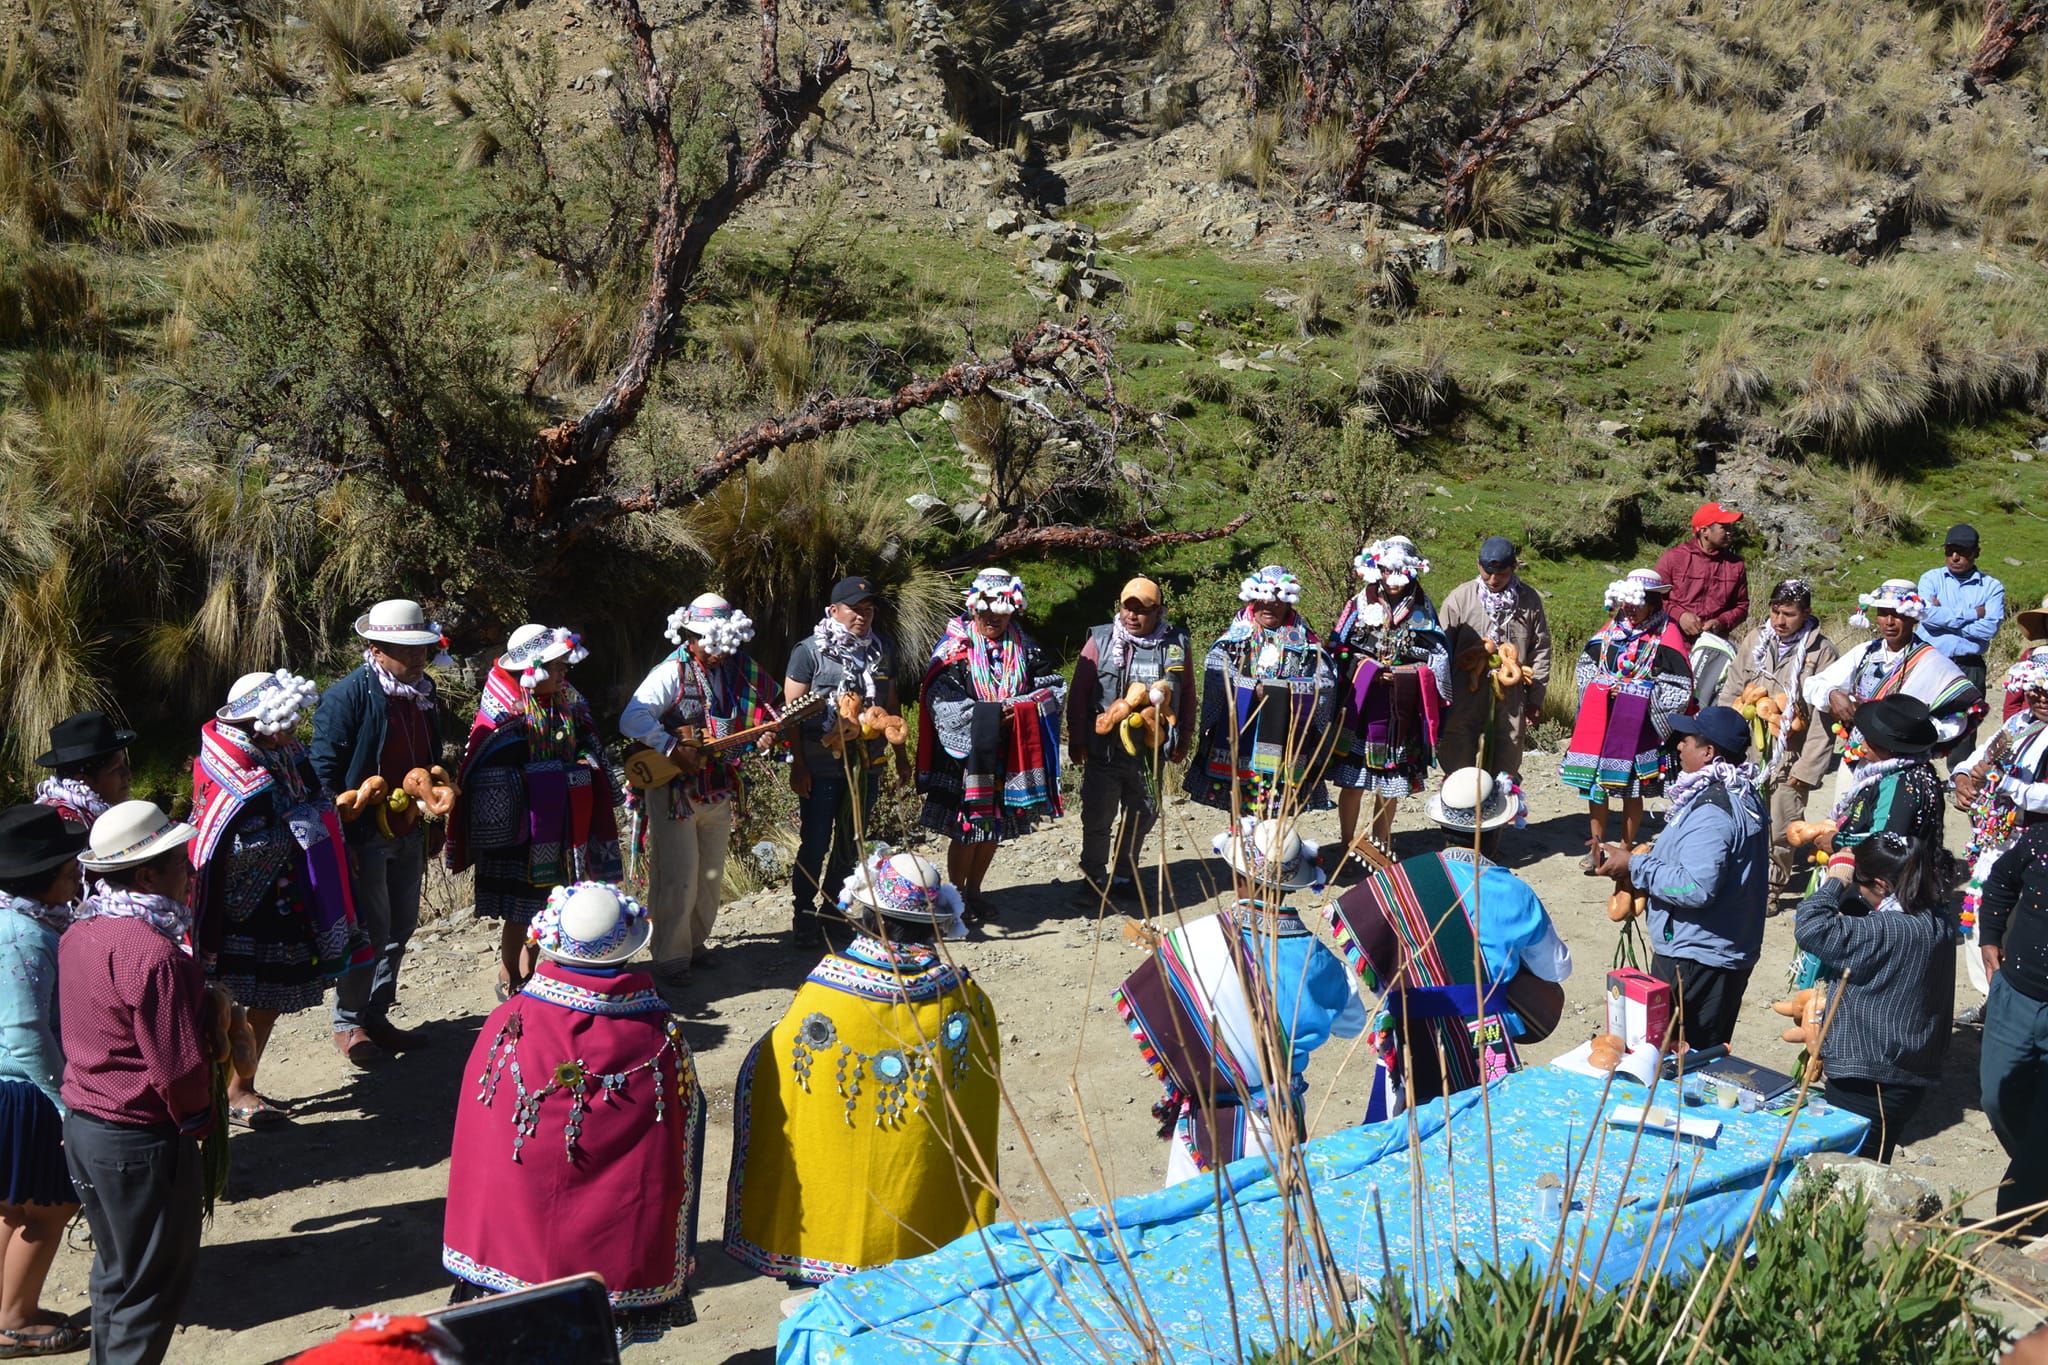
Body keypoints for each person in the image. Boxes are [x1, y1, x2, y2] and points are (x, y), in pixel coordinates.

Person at [443, 882, 703, 1346]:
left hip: (514, 1236)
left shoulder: (509, 1021)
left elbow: (481, 1142)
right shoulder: (656, 1036)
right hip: (607, 1248)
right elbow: (672, 1148)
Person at [725, 852, 999, 1277]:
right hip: (919, 1215)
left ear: (870, 916)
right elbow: (978, 1105)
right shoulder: (965, 1001)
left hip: (836, 1206)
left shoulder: (826, 995)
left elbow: (777, 1075)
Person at [1115, 818, 1363, 1183]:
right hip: (1278, 1121)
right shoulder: (1323, 963)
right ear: (1293, 885)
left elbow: (1161, 1019)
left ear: (1238, 877)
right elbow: (1352, 1024)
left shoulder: (1190, 941)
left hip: (1204, 1123)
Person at [62, 801, 222, 1365]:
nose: (191, 872)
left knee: (117, 1274)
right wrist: (201, 1117)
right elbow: (175, 1066)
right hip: (136, 1140)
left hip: (85, 1130)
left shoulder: (79, 932)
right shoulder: (154, 955)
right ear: (148, 875)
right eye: (181, 862)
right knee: (151, 1286)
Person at [1327, 773, 1569, 1120]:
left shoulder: (1400, 883)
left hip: (1413, 1036)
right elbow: (1556, 968)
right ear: (1498, 828)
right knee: (1480, 1131)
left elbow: (1376, 969)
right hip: (1486, 1038)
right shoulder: (1516, 893)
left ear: (1442, 824)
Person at [191, 670, 358, 1122]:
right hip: (244, 907)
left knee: (269, 999)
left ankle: (241, 1085)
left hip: (285, 896)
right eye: (283, 722)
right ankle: (215, 1094)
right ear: (253, 724)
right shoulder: (229, 769)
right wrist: (293, 830)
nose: (293, 731)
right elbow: (220, 843)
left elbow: (313, 792)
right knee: (226, 1005)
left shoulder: (283, 752)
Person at [448, 625, 623, 1000]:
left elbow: (589, 744)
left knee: (552, 899)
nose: (564, 673)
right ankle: (510, 972)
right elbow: (484, 770)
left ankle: (536, 967)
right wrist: (545, 778)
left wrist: (582, 765)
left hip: (559, 822)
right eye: (557, 667)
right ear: (535, 670)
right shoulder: (503, 714)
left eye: (563, 666)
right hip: (520, 829)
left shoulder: (566, 703)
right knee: (520, 907)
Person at [311, 599, 449, 1067]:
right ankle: (349, 1022)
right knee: (371, 928)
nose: (417, 658)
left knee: (401, 925)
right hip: (366, 832)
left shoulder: (423, 693)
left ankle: (376, 1013)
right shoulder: (347, 697)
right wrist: (339, 834)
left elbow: (432, 758)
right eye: (404, 649)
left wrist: (434, 817)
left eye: (420, 649)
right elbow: (325, 774)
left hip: (408, 826)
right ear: (375, 646)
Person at [620, 593, 778, 986]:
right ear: (689, 636)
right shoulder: (671, 672)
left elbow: (758, 715)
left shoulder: (739, 672)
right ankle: (670, 957)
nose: (715, 651)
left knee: (709, 875)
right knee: (679, 875)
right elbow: (632, 718)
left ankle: (694, 943)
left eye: (719, 644)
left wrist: (760, 738)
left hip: (717, 786)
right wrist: (672, 747)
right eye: (706, 642)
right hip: (675, 792)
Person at [1594, 706, 1768, 1050]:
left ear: (1708, 752)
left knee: (1679, 1059)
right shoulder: (1738, 794)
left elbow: (1696, 887)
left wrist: (1634, 866)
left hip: (1698, 959)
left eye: (1685, 740)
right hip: (1716, 953)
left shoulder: (1714, 812)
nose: (1678, 747)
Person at [914, 570, 1065, 922]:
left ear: (1013, 611)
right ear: (974, 610)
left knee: (993, 825)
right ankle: (955, 896)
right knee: (967, 827)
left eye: (1002, 611)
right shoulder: (954, 651)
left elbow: (1053, 687)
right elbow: (943, 701)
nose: (993, 618)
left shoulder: (1026, 647)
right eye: (986, 612)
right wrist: (996, 713)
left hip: (1008, 751)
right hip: (967, 756)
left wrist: (1022, 708)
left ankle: (975, 891)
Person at [1794, 833, 1956, 1161]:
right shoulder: (1938, 921)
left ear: (1881, 884)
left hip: (1870, 1079)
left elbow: (1811, 926)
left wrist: (1836, 880)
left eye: (1860, 883)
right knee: (1873, 1162)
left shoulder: (1888, 930)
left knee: (1852, 1174)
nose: (1858, 890)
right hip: (1905, 1074)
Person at [0, 806, 88, 1357]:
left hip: (8, 1087)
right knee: (50, 1209)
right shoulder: (27, 937)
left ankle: (7, 1305)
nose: (78, 878)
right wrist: (66, 1100)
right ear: (43, 878)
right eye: (69, 870)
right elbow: (28, 1031)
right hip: (30, 1092)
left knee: (12, 1207)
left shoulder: (12, 919)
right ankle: (15, 1321)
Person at [784, 576, 912, 939]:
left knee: (853, 839)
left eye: (868, 610)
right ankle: (804, 915)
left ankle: (834, 911)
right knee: (816, 840)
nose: (862, 617)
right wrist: (799, 766)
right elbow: (790, 713)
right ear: (834, 610)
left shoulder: (882, 650)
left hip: (868, 764)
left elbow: (890, 705)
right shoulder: (809, 651)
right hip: (820, 765)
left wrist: (901, 756)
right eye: (855, 610)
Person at [1067, 576, 1196, 906]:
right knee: (1098, 815)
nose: (1133, 615)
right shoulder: (1100, 640)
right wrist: (1077, 738)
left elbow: (1188, 693)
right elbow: (1079, 693)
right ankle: (1093, 877)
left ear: (1158, 611)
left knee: (1144, 813)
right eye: (1128, 607)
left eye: (1142, 610)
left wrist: (1185, 738)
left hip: (1152, 752)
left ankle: (1124, 875)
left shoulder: (1176, 643)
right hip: (1104, 751)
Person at [1716, 579, 1839, 909]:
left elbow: (1823, 721)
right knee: (1740, 815)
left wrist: (1809, 768)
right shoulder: (1756, 640)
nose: (1780, 621)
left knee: (1781, 823)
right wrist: (1721, 740)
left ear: (1806, 614)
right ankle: (1737, 876)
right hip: (1749, 748)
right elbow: (1732, 689)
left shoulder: (1821, 652)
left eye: (1789, 614)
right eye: (1775, 612)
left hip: (1791, 752)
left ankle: (1769, 887)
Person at [1327, 537, 1451, 859]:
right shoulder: (1358, 602)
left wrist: (1407, 672)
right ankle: (1345, 844)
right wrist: (1364, 666)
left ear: (1411, 572)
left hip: (1401, 707)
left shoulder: (1423, 608)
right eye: (1385, 569)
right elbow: (1338, 647)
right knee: (1353, 779)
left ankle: (1382, 844)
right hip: (1363, 703)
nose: (1392, 578)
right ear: (1377, 568)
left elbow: (1436, 656)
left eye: (1399, 571)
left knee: (1390, 783)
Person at [1802, 579, 1980, 796]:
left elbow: (1958, 715)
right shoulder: (1865, 653)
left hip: (1904, 767)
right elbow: (1813, 685)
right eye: (1883, 613)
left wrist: (1914, 732)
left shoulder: (1932, 662)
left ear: (1913, 617)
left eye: (1898, 615)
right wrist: (1832, 694)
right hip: (1858, 759)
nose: (1889, 622)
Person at [1186, 565, 1336, 819]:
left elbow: (1326, 681)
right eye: (1263, 602)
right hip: (1243, 727)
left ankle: (1272, 851)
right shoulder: (1236, 636)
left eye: (1276, 602)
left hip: (1286, 732)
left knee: (1278, 802)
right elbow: (1215, 666)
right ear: (1253, 600)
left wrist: (1288, 692)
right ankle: (1242, 850)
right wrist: (1249, 688)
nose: (1269, 607)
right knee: (1240, 799)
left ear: (1288, 603)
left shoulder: (1304, 641)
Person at [1560, 569, 1692, 859]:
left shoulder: (1667, 635)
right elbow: (1586, 668)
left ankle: (1625, 848)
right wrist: (1602, 688)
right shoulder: (1611, 631)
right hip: (1603, 720)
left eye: (1637, 603)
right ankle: (1595, 847)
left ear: (1654, 602)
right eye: (1626, 602)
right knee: (1596, 785)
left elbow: (1678, 687)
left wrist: (1638, 693)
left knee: (1632, 790)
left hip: (1639, 726)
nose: (1630, 609)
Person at [1955, 651, 2048, 1000]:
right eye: (2034, 688)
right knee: (1980, 915)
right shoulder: (2020, 722)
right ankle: (1989, 999)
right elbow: (1980, 758)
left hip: (2036, 844)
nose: (2039, 697)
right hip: (1997, 839)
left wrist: (2008, 786)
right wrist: (1964, 776)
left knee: (2022, 923)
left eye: (2046, 690)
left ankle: (2012, 1001)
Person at [1976, 813, 2048, 1238]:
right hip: (2017, 994)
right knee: (1997, 1096)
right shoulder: (2041, 839)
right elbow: (2002, 879)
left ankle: (2020, 1221)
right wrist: (1990, 935)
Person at [1436, 535, 1552, 783]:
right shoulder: (1460, 599)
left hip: (1510, 697)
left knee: (1507, 755)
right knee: (1459, 752)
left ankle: (1499, 817)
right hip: (1464, 693)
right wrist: (1440, 698)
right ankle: (1457, 816)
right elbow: (1440, 651)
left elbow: (1540, 650)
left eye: (1501, 574)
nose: (1493, 580)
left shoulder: (1529, 601)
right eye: (1487, 573)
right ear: (1478, 566)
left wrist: (1535, 699)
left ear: (1513, 568)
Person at [1917, 523, 2006, 758]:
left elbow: (1989, 628)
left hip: (1969, 665)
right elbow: (1926, 616)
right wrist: (1973, 613)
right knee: (1918, 719)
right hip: (1930, 661)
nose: (1955, 557)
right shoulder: (1930, 579)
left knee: (1964, 727)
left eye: (1963, 551)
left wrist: (1944, 615)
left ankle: (1959, 782)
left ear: (1976, 552)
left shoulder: (1992, 587)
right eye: (1950, 550)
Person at [1655, 502, 1749, 706]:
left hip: (1714, 653)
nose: (1731, 532)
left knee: (1703, 709)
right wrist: (1680, 615)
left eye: (1731, 527)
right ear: (1704, 531)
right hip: (1673, 648)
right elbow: (1654, 600)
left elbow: (1742, 607)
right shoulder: (1673, 558)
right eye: (1725, 527)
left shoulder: (1736, 565)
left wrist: (1721, 622)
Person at [33, 711, 136, 832]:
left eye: (124, 764)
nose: (127, 774)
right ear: (83, 782)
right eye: (116, 769)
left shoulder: (105, 811)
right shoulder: (63, 824)